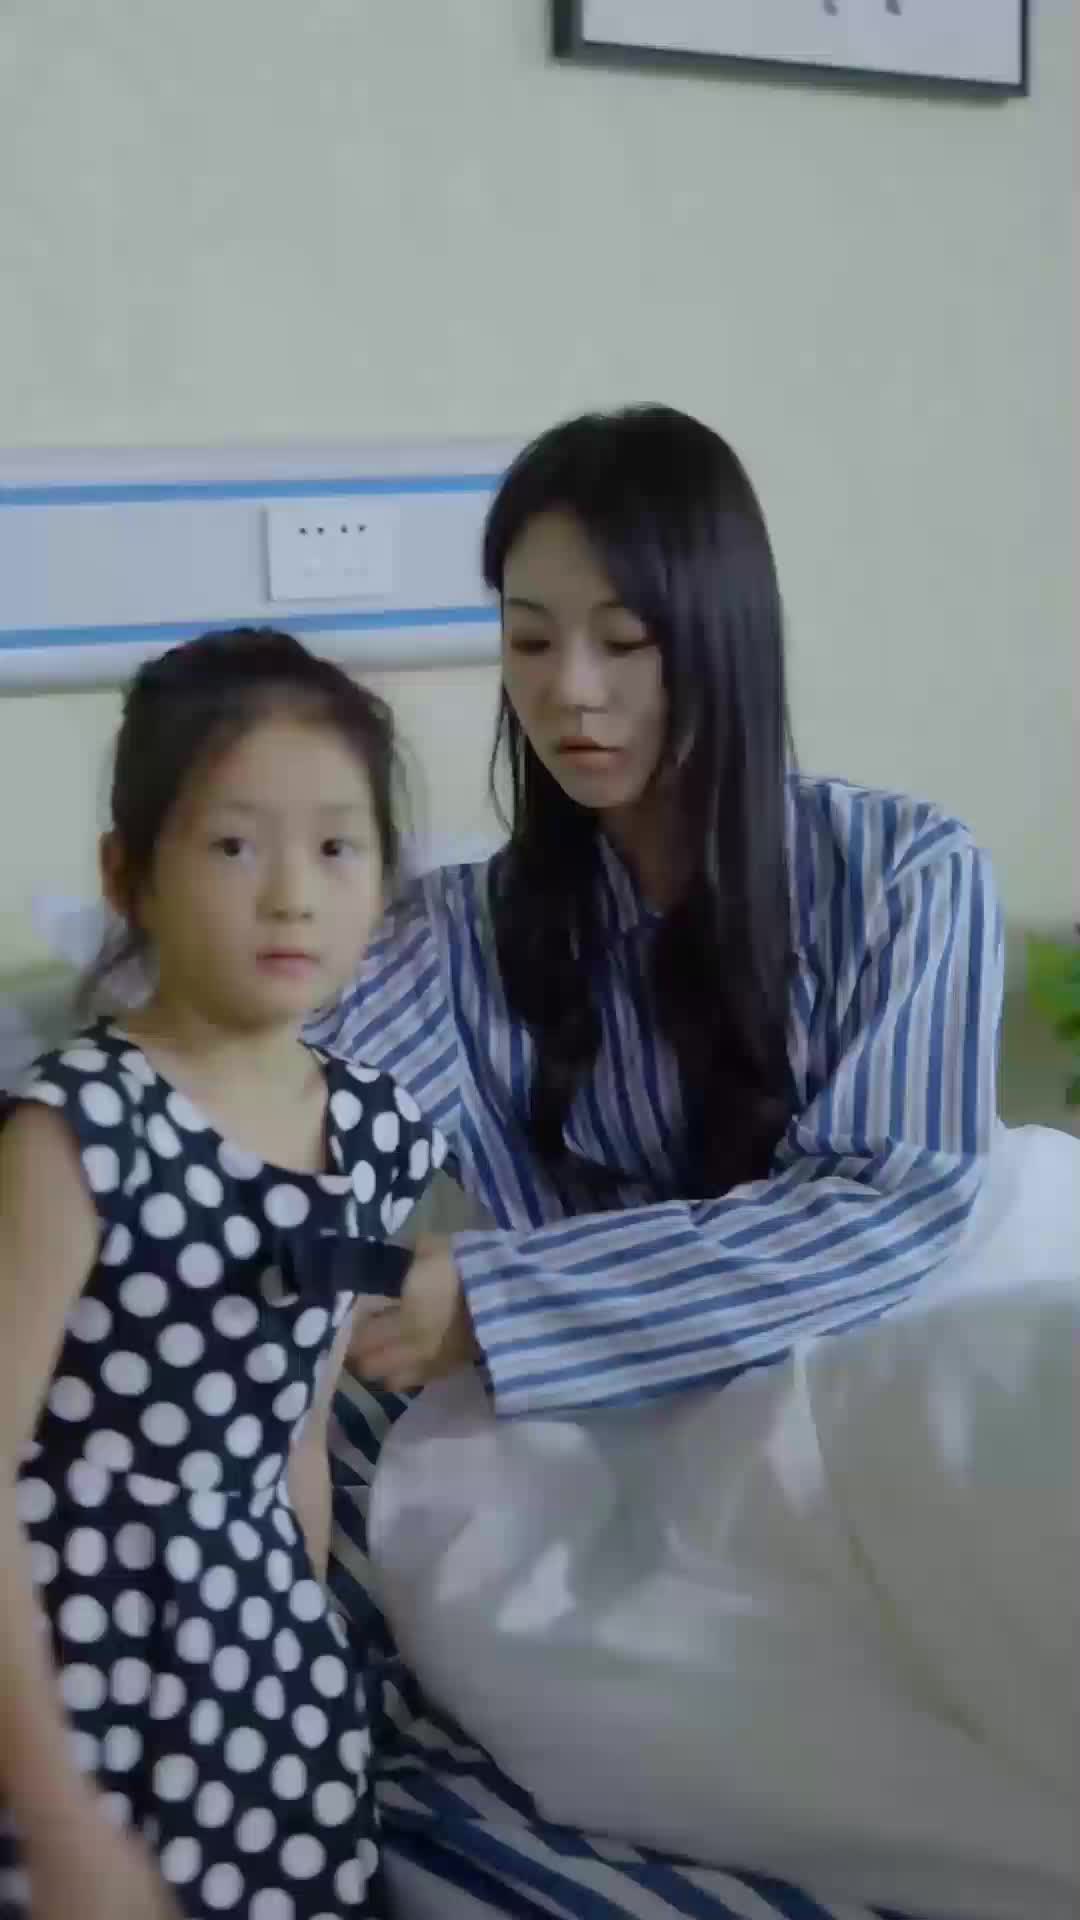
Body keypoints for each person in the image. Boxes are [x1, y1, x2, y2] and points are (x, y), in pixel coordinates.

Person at [314, 405, 1005, 1920]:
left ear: (722, 640)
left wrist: (501, 1299)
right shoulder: (457, 938)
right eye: (528, 639)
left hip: (904, 1347)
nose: (571, 691)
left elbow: (892, 1207)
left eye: (625, 641)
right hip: (641, 1443)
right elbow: (288, 1130)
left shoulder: (906, 875)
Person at [0, 628, 447, 1920]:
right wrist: (56, 1817)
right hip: (70, 1683)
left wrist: (301, 1662)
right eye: (236, 846)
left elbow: (297, 1435)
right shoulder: (76, 1131)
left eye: (337, 848)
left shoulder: (375, 1131)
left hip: (268, 1686)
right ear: (128, 876)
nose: (292, 895)